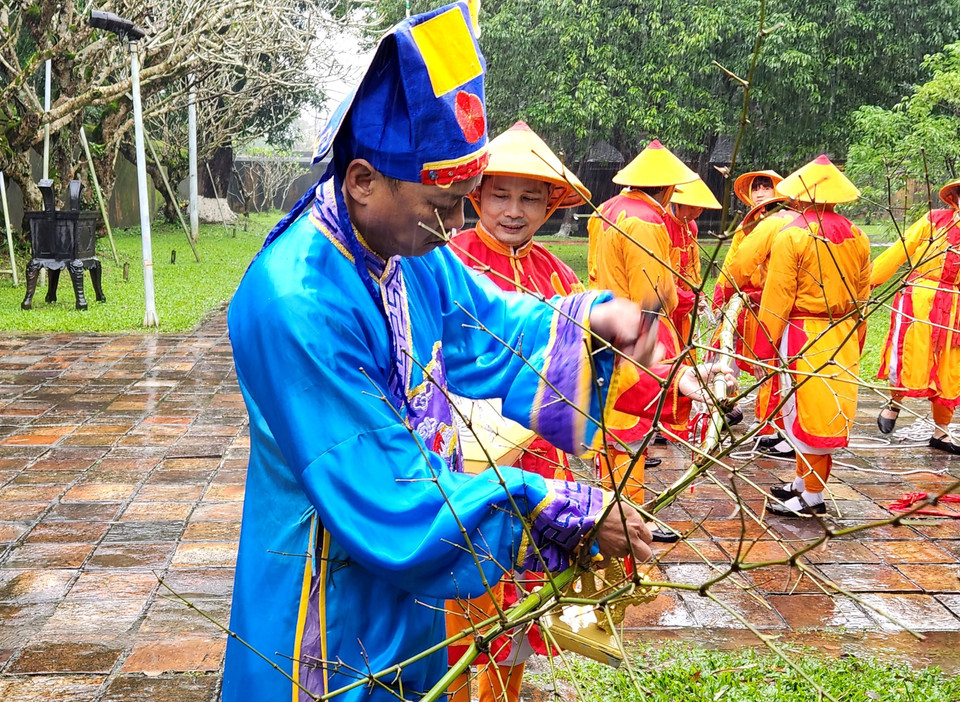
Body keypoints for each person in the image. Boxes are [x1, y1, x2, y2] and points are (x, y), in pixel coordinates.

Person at [222, 5, 662, 702]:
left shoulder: (405, 243)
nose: (459, 224)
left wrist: (594, 321)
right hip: (329, 572)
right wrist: (555, 509)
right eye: (445, 203)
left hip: (414, 555)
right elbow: (382, 485)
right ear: (363, 180)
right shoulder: (296, 302)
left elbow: (485, 325)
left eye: (465, 201)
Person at [752, 155, 871, 517]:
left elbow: (778, 296)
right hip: (842, 332)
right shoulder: (858, 235)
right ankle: (803, 483)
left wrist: (764, 347)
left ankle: (811, 497)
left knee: (803, 410)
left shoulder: (793, 235)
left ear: (800, 197)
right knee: (822, 410)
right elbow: (863, 294)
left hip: (802, 332)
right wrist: (858, 337)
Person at [586, 140, 697, 501]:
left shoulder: (605, 208)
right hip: (635, 331)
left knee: (614, 425)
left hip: (603, 322)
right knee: (629, 428)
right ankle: (626, 513)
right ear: (666, 189)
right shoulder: (648, 220)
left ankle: (616, 507)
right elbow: (654, 289)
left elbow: (592, 271)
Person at [870, 177, 960, 453]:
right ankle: (894, 404)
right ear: (955, 198)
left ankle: (941, 433)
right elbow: (901, 248)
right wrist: (870, 280)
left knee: (950, 367)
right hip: (918, 299)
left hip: (955, 306)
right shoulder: (934, 220)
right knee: (910, 357)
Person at [664, 177, 721, 346]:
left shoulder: (691, 227)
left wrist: (698, 295)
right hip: (664, 303)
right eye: (691, 208)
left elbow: (694, 268)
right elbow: (660, 276)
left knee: (685, 351)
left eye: (700, 209)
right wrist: (688, 299)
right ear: (677, 203)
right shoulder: (661, 223)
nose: (695, 213)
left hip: (682, 304)